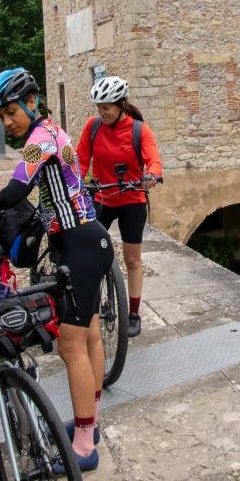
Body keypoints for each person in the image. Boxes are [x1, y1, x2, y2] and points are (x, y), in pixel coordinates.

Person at [0, 67, 113, 472]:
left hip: (79, 245)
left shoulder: (39, 140)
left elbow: (16, 191)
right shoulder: (54, 131)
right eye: (1, 116)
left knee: (72, 346)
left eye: (10, 112)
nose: (7, 122)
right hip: (89, 239)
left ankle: (84, 448)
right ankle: (89, 425)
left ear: (32, 102)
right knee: (90, 337)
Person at [76, 75, 162, 338]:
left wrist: (152, 175)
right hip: (102, 197)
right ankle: (90, 303)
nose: (101, 112)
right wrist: (75, 184)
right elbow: (81, 160)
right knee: (91, 253)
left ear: (121, 105)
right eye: (99, 107)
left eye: (107, 108)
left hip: (132, 199)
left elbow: (153, 159)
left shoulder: (139, 130)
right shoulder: (93, 127)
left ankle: (133, 313)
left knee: (132, 259)